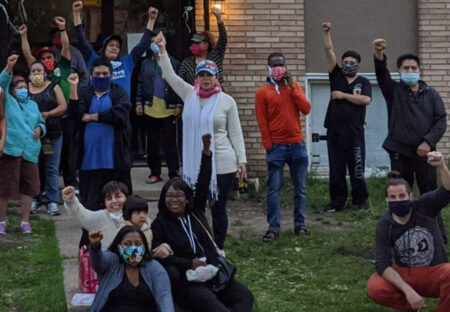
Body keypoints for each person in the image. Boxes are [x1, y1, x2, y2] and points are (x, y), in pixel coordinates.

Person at [154, 32, 247, 250]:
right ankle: (199, 244)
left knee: (218, 208)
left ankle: (219, 247)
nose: (206, 79)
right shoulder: (189, 95)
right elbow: (168, 74)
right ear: (196, 78)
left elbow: (236, 132)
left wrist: (242, 161)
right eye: (202, 75)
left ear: (216, 77)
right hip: (195, 163)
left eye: (210, 75)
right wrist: (163, 50)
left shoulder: (226, 101)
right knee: (195, 207)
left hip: (222, 163)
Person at [152, 133, 254, 311]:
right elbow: (164, 260)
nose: (174, 200)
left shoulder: (195, 212)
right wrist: (190, 263)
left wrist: (206, 151)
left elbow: (203, 182)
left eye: (178, 195)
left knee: (245, 298)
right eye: (169, 196)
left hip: (213, 272)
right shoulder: (160, 224)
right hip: (188, 281)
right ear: (163, 199)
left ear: (187, 199)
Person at [373, 38, 448, 243]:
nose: (410, 70)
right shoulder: (394, 91)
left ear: (420, 70)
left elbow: (441, 121)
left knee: (430, 196)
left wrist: (427, 142)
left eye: (413, 67)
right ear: (399, 71)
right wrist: (379, 55)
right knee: (400, 197)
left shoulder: (431, 94)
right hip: (399, 153)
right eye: (406, 68)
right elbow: (381, 75)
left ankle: (437, 236)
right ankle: (399, 236)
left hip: (425, 155)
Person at [366, 151, 450, 311]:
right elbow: (383, 264)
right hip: (405, 273)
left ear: (411, 196)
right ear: (387, 200)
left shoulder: (425, 205)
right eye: (393, 197)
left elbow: (447, 190)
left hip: (434, 271)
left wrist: (442, 166)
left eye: (402, 195)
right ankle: (413, 306)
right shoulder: (385, 223)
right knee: (375, 287)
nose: (398, 200)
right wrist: (408, 291)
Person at [255, 52, 311, 241]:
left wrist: (292, 87)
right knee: (273, 189)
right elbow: (262, 121)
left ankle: (300, 225)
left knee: (300, 188)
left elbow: (306, 109)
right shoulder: (262, 92)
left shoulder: (294, 87)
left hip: (297, 144)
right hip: (277, 147)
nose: (279, 68)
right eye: (275, 65)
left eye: (281, 65)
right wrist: (268, 144)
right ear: (269, 68)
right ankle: (273, 227)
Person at [68, 59, 132, 212]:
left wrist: (91, 117)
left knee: (119, 207)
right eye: (97, 74)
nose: (101, 76)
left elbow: (119, 114)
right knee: (90, 206)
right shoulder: (84, 92)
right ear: (91, 76)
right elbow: (76, 114)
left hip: (115, 162)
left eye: (105, 74)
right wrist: (73, 88)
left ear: (111, 76)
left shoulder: (119, 92)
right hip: (89, 162)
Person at [322, 22, 372, 213]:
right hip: (335, 133)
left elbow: (366, 99)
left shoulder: (363, 81)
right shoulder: (336, 76)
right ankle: (337, 202)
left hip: (355, 133)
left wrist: (343, 96)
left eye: (352, 63)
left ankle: (360, 201)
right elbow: (329, 51)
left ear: (358, 65)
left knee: (357, 169)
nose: (348, 65)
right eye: (346, 62)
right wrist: (326, 33)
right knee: (336, 170)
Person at [0, 54, 46, 234]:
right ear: (12, 91)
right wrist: (9, 67)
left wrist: (41, 129)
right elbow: (2, 83)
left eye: (24, 87)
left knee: (29, 188)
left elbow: (41, 122)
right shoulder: (8, 102)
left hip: (31, 152)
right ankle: (1, 222)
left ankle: (24, 221)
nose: (22, 90)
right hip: (11, 151)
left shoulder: (33, 106)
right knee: (4, 189)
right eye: (18, 88)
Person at [72, 1, 158, 96]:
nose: (114, 48)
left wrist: (152, 20)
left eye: (117, 46)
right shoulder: (94, 61)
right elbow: (82, 41)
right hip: (98, 109)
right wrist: (76, 14)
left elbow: (143, 45)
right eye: (111, 45)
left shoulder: (127, 62)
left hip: (121, 109)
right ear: (104, 48)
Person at [88, 226, 175, 312]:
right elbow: (99, 263)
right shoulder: (112, 263)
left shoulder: (155, 269)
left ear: (144, 247)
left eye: (137, 244)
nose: (133, 249)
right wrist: (95, 246)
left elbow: (165, 299)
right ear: (119, 247)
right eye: (127, 244)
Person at [135, 40, 182, 184]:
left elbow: (180, 84)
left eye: (158, 41)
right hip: (150, 108)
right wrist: (138, 102)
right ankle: (154, 173)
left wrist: (179, 104)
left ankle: (174, 173)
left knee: (170, 144)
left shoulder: (173, 62)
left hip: (169, 109)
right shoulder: (146, 63)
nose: (155, 44)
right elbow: (140, 83)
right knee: (152, 144)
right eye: (153, 42)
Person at [51, 26, 90, 191]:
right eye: (56, 36)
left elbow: (85, 76)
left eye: (61, 35)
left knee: (70, 149)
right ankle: (50, 184)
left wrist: (76, 96)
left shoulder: (74, 54)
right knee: (50, 152)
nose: (58, 39)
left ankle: (71, 182)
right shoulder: (48, 54)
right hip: (51, 114)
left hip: (69, 113)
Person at [28, 60, 67, 216]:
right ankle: (34, 199)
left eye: (39, 70)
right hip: (30, 137)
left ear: (44, 73)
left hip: (51, 136)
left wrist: (48, 114)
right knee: (33, 168)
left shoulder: (54, 87)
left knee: (51, 168)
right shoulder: (24, 89)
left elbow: (63, 106)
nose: (36, 73)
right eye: (33, 71)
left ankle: (52, 201)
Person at [18, 17, 72, 103]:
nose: (46, 60)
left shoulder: (63, 66)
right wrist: (23, 35)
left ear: (55, 58)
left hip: (66, 112)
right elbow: (27, 54)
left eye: (49, 57)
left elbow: (65, 47)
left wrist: (62, 28)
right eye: (43, 58)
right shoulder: (37, 72)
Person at [62, 181, 129, 249]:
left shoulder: (134, 216)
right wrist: (71, 200)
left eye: (118, 197)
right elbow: (82, 215)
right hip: (107, 258)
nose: (114, 201)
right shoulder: (101, 216)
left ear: (127, 198)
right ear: (104, 202)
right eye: (109, 198)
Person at [178, 7, 227, 86]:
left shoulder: (215, 56)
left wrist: (219, 20)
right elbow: (180, 83)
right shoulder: (187, 63)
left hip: (216, 95)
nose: (194, 45)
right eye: (193, 43)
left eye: (198, 43)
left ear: (206, 45)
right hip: (196, 96)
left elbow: (223, 40)